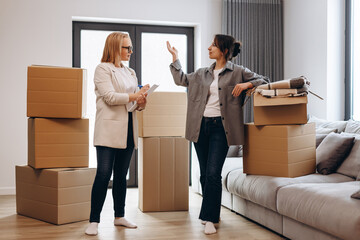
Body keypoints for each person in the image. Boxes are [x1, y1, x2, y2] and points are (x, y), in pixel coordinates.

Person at [167, 34, 269, 235]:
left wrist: (247, 85)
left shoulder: (238, 72)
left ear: (223, 50)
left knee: (213, 173)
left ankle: (209, 218)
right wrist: (175, 57)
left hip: (221, 129)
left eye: (213, 45)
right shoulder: (202, 73)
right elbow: (181, 80)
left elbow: (264, 80)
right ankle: (213, 213)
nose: (208, 48)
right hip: (200, 127)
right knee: (205, 174)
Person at [85, 32, 149, 236]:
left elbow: (131, 103)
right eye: (126, 48)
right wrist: (135, 94)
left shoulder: (131, 72)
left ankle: (119, 216)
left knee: (121, 175)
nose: (130, 51)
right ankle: (94, 220)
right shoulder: (103, 69)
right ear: (115, 48)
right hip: (108, 129)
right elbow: (110, 97)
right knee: (104, 174)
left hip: (128, 128)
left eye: (130, 47)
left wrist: (141, 102)